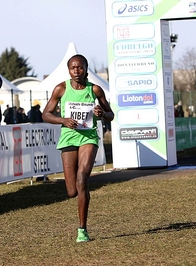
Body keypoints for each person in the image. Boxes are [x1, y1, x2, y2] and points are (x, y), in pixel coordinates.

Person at [42, 54, 114, 243]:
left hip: (88, 137)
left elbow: (110, 115)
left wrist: (102, 113)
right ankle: (80, 195)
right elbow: (46, 115)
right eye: (73, 68)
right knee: (72, 191)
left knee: (83, 178)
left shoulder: (95, 90)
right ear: (68, 70)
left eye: (80, 67)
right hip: (68, 138)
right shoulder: (61, 88)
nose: (76, 71)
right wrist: (63, 120)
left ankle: (82, 229)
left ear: (85, 69)